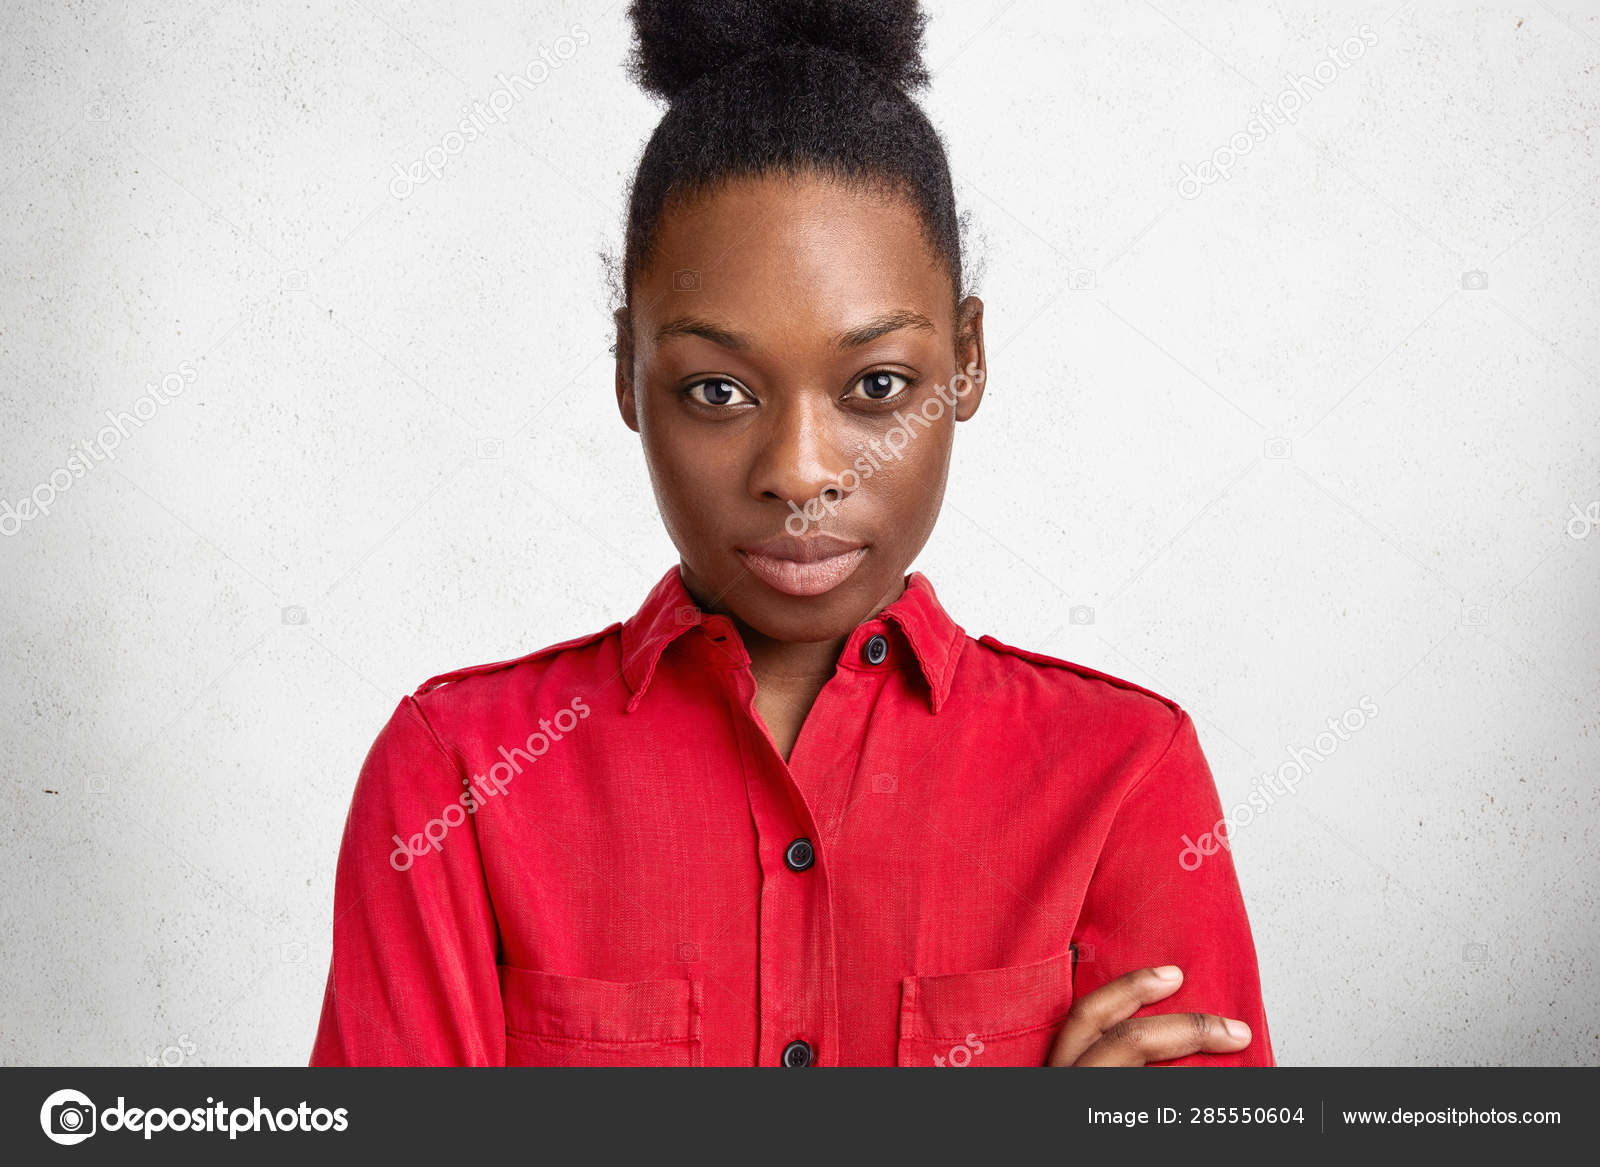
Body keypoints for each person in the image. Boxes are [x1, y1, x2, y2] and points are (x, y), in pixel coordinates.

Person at [310, 0, 1274, 1068]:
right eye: (717, 388)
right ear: (629, 371)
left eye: (875, 384)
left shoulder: (1122, 778)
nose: (800, 473)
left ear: (966, 361)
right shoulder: (457, 780)